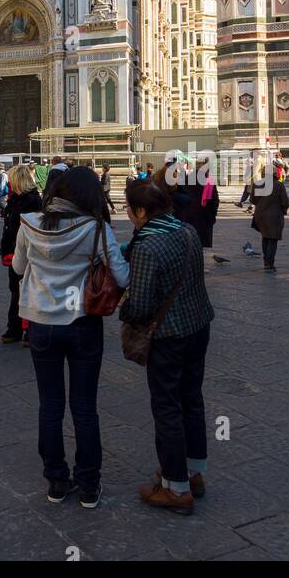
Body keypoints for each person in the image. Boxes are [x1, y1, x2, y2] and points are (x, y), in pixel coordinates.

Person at [11, 166, 128, 507]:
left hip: (41, 323)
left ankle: (57, 482)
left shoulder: (29, 224)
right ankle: (89, 486)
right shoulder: (96, 229)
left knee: (49, 405)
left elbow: (18, 268)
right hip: (81, 323)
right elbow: (122, 277)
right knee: (84, 407)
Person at [120, 179, 214, 514]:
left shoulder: (148, 246)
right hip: (198, 325)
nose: (127, 214)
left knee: (167, 408)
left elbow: (142, 306)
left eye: (129, 208)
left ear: (141, 211)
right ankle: (194, 472)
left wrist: (123, 310)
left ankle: (175, 488)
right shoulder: (185, 230)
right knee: (192, 401)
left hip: (169, 336)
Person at [0, 163, 42, 344]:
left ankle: (28, 330)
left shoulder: (33, 201)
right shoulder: (16, 198)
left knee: (27, 291)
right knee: (15, 290)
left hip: (27, 252)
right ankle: (16, 327)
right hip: (13, 252)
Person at [249, 171, 289, 271]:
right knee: (272, 239)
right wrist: (283, 210)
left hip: (260, 215)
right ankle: (269, 263)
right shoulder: (279, 185)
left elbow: (252, 200)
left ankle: (266, 261)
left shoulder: (258, 184)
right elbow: (285, 202)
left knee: (265, 237)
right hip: (274, 216)